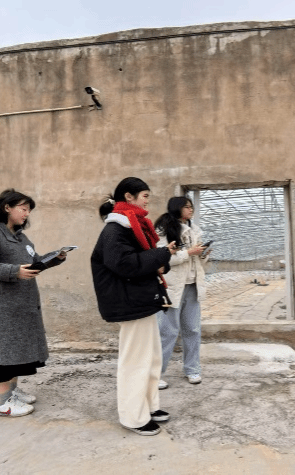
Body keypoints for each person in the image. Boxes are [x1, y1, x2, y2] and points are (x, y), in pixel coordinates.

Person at [0, 189, 68, 417]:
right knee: (1, 352)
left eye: (28, 209)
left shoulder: (21, 237)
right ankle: (2, 404)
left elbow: (33, 263)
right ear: (7, 208)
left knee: (15, 352)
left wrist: (54, 258)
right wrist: (13, 271)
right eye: (23, 208)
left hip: (19, 304)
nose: (27, 213)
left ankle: (11, 392)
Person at [90, 177, 178, 436]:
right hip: (130, 302)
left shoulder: (132, 226)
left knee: (151, 358)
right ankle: (133, 417)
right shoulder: (115, 229)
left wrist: (161, 260)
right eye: (145, 196)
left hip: (141, 300)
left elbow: (143, 259)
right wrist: (162, 254)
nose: (148, 201)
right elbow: (125, 263)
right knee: (136, 361)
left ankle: (148, 407)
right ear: (128, 197)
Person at [154, 196, 209, 389]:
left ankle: (193, 369)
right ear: (176, 208)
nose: (190, 209)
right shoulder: (163, 230)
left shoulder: (195, 230)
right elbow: (162, 259)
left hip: (192, 286)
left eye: (191, 206)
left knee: (193, 329)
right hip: (173, 287)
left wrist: (202, 255)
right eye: (186, 207)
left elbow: (197, 261)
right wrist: (188, 253)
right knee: (167, 331)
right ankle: (156, 374)